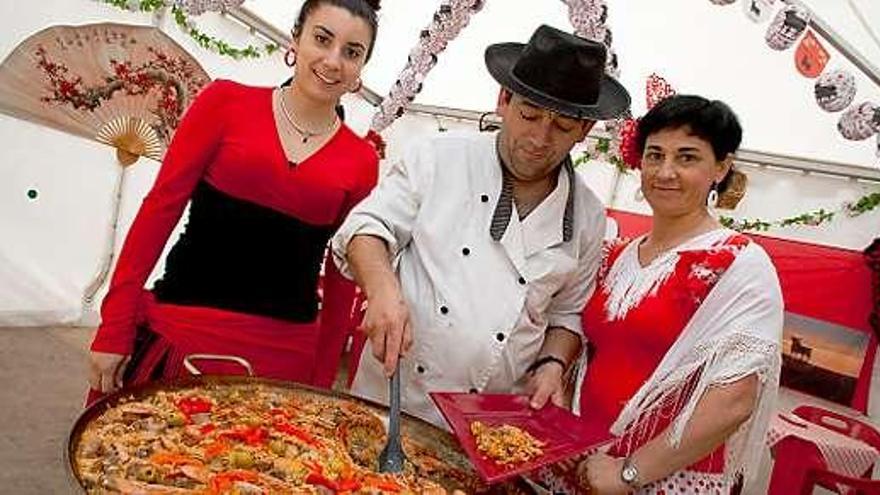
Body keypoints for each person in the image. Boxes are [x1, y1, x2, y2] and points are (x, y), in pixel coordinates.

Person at [331, 25, 632, 427]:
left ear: (584, 131)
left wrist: (552, 362)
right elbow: (367, 228)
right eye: (529, 114)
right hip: (392, 399)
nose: (540, 138)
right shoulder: (439, 157)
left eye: (562, 126)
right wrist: (383, 289)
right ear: (504, 100)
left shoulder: (589, 218)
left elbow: (567, 315)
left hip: (487, 424)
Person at [87, 0, 382, 401]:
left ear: (361, 70)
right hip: (183, 330)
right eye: (322, 39)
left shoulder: (362, 160)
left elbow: (343, 277)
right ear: (295, 39)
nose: (333, 61)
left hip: (286, 354)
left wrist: (323, 378)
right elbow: (160, 209)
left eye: (351, 52)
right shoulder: (224, 103)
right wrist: (115, 324)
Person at [537, 95, 783, 494]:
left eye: (687, 158)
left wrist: (629, 472)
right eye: (655, 155)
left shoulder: (739, 265)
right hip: (582, 460)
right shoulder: (614, 254)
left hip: (661, 477)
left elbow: (735, 399)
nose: (665, 172)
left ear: (721, 167)